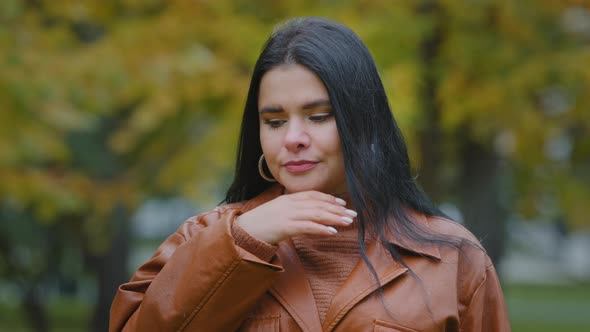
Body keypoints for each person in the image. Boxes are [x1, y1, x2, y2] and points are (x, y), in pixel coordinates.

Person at [110, 17, 510, 331]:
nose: (294, 138)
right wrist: (244, 242)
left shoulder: (452, 258)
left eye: (318, 117)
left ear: (363, 122)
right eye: (275, 121)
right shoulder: (205, 237)